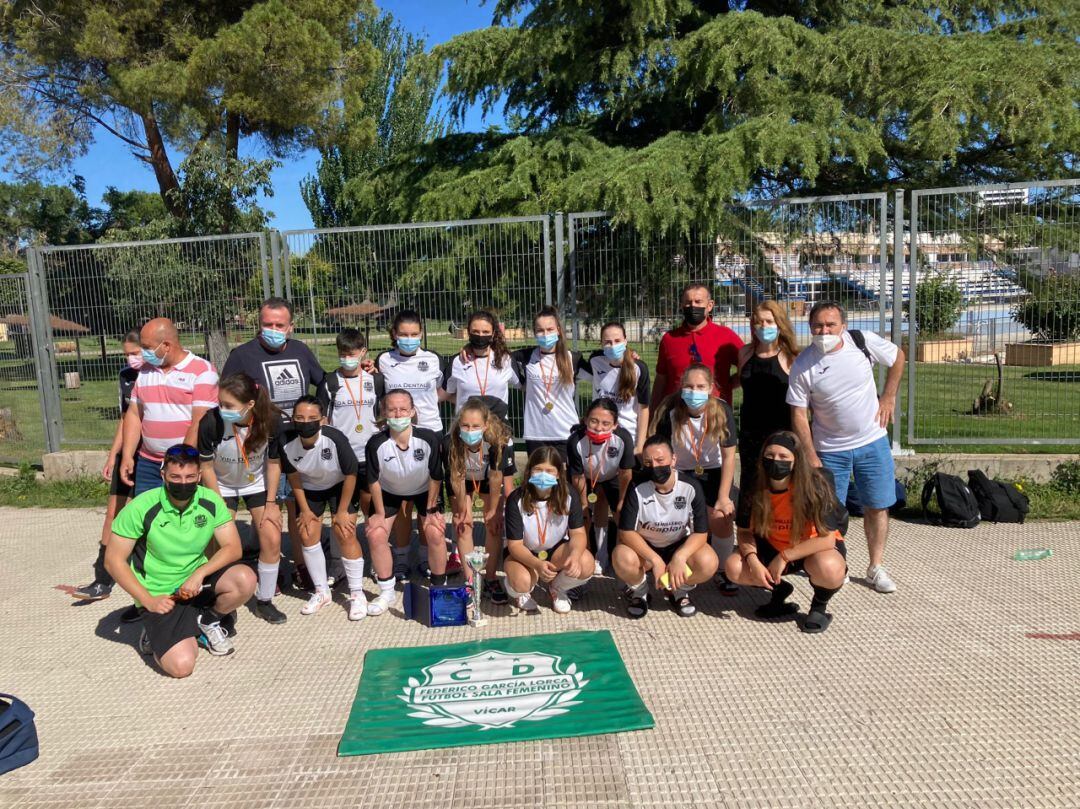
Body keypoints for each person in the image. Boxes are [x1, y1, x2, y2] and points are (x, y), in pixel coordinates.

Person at [104, 444, 257, 678]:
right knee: (182, 667)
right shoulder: (141, 507)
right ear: (163, 474)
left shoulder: (210, 501)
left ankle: (208, 620)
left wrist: (199, 574)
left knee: (245, 579)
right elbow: (113, 561)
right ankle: (154, 633)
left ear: (198, 476)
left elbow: (233, 548)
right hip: (161, 593)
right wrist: (148, 600)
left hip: (196, 584)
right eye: (175, 476)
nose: (182, 483)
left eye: (189, 477)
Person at [786, 300, 905, 593]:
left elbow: (898, 357)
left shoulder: (862, 343)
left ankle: (876, 566)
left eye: (830, 325)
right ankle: (838, 563)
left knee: (877, 506)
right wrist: (811, 455)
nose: (824, 331)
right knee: (828, 512)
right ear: (809, 327)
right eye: (817, 326)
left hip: (871, 441)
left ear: (843, 326)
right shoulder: (803, 364)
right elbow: (798, 414)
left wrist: (888, 396)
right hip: (829, 449)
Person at [221, 297, 327, 591]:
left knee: (296, 506)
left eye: (280, 325)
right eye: (267, 324)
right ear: (259, 324)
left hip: (297, 442)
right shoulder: (242, 355)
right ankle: (270, 568)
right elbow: (228, 396)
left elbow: (324, 382)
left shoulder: (300, 351)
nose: (273, 329)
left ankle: (301, 566)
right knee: (269, 511)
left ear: (290, 326)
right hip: (260, 445)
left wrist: (323, 414)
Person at [724, 431, 848, 633]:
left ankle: (819, 607)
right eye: (770, 455)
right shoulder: (754, 485)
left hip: (811, 547)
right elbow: (745, 531)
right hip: (772, 544)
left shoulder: (815, 485)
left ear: (796, 461)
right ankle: (778, 590)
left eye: (783, 457)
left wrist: (784, 557)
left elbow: (826, 540)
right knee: (733, 567)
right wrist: (754, 561)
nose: (775, 461)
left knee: (830, 568)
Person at [197, 373, 287, 624]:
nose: (222, 409)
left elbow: (273, 463)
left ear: (249, 405)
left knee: (271, 536)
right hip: (221, 486)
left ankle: (265, 600)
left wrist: (271, 504)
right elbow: (204, 468)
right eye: (220, 403)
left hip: (255, 484)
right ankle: (225, 603)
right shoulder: (210, 422)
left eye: (228, 406)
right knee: (221, 544)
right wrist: (218, 507)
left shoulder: (270, 421)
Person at [375, 310, 448, 579]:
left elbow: (443, 390)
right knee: (402, 500)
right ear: (394, 335)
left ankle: (428, 557)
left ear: (421, 334)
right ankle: (403, 557)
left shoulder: (433, 359)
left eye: (414, 334)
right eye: (403, 335)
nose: (409, 339)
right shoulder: (383, 360)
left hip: (430, 433)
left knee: (428, 499)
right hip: (397, 434)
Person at [654, 363, 739, 593]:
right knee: (680, 519)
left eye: (701, 386)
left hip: (713, 471)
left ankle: (722, 571)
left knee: (721, 517)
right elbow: (661, 452)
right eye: (689, 386)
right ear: (681, 388)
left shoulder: (722, 410)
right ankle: (679, 564)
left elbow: (729, 455)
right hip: (681, 472)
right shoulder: (670, 411)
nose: (694, 391)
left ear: (711, 388)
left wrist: (723, 496)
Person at [613, 434, 719, 618]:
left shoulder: (690, 486)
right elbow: (626, 532)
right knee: (621, 557)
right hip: (646, 548)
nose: (654, 466)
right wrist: (655, 559)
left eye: (660, 460)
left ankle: (678, 589)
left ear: (673, 459)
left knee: (709, 562)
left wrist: (680, 557)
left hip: (677, 544)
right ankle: (640, 592)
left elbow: (701, 532)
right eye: (648, 462)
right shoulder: (637, 485)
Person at [364, 389, 448, 616]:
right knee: (376, 533)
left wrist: (431, 509)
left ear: (412, 412)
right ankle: (386, 591)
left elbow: (436, 476)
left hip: (423, 491)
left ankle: (439, 588)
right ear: (384, 413)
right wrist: (379, 514)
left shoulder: (428, 438)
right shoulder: (375, 443)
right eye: (392, 409)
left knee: (435, 531)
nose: (398, 413)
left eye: (403, 409)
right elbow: (373, 480)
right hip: (390, 492)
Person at [279, 397, 364, 620]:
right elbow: (293, 477)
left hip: (340, 485)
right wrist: (305, 510)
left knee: (344, 532)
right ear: (293, 419)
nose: (305, 422)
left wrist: (342, 511)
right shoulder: (286, 440)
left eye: (311, 418)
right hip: (310, 488)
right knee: (307, 532)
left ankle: (357, 594)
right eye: (299, 418)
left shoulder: (335, 438)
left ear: (322, 420)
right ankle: (321, 592)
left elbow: (351, 474)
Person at [73, 331, 142, 602]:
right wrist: (114, 454)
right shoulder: (126, 376)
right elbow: (125, 418)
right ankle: (103, 579)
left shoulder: (157, 375)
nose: (131, 359)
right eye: (127, 354)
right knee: (113, 512)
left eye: (136, 352)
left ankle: (142, 574)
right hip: (129, 453)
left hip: (152, 456)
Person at [118, 318, 218, 496]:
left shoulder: (202, 371)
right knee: (148, 518)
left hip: (184, 466)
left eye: (147, 347)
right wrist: (127, 455)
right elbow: (134, 414)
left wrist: (177, 461)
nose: (143, 352)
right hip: (148, 463)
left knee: (182, 520)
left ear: (166, 345)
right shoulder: (145, 371)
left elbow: (199, 423)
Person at [503, 447, 594, 614]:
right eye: (538, 469)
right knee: (522, 582)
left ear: (558, 474)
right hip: (525, 553)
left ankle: (557, 588)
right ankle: (520, 593)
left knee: (586, 564)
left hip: (556, 551)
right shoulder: (516, 499)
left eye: (549, 471)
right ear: (529, 471)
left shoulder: (569, 494)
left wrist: (574, 556)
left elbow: (578, 534)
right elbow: (515, 545)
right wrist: (537, 565)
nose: (543, 475)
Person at [735, 300, 799, 532]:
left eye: (769, 321)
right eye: (758, 322)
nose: (763, 326)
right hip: (751, 433)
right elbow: (736, 381)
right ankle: (748, 536)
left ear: (780, 324)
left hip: (781, 434)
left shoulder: (791, 357)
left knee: (781, 487)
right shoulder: (745, 353)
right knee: (751, 487)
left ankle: (783, 534)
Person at [443, 398, 515, 605]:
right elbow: (456, 477)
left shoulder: (496, 441)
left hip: (486, 479)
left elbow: (495, 477)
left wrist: (492, 510)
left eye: (475, 426)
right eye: (465, 425)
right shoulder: (450, 442)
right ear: (459, 424)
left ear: (485, 425)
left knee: (493, 525)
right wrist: (462, 511)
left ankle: (491, 578)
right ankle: (470, 581)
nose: (470, 429)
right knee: (463, 525)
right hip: (463, 479)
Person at [317, 327, 384, 517]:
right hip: (342, 455)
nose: (347, 359)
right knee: (344, 510)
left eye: (352, 354)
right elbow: (323, 418)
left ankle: (373, 540)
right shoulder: (330, 382)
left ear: (363, 352)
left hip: (369, 453)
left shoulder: (376, 380)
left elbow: (384, 411)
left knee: (370, 502)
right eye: (342, 355)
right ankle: (343, 544)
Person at [566, 397, 635, 573]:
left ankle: (615, 558)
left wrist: (622, 500)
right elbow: (577, 477)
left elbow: (626, 473)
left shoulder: (623, 438)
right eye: (594, 421)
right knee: (583, 517)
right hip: (586, 478)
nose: (598, 428)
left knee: (622, 514)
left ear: (615, 424)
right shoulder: (575, 440)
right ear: (585, 420)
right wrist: (583, 504)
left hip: (612, 476)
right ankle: (586, 557)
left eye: (606, 423)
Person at [649, 282, 743, 412]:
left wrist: (727, 385)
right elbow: (661, 381)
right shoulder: (669, 339)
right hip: (676, 415)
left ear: (710, 305)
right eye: (688, 302)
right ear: (682, 305)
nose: (693, 306)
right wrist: (653, 415)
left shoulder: (725, 336)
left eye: (698, 302)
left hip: (715, 415)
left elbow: (747, 366)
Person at [511, 306, 584, 459]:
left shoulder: (574, 359)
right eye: (540, 330)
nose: (545, 335)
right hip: (536, 435)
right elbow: (495, 354)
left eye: (549, 329)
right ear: (535, 333)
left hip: (567, 432)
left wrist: (628, 354)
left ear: (558, 330)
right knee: (539, 481)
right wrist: (468, 349)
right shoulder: (525, 356)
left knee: (564, 481)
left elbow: (602, 364)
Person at [579, 321, 651, 456]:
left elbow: (644, 409)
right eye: (607, 342)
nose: (613, 346)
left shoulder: (639, 368)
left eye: (617, 341)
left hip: (628, 435)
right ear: (601, 344)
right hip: (599, 431)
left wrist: (640, 445)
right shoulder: (595, 360)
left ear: (625, 341)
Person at [444, 309, 517, 424]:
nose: (480, 336)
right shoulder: (457, 362)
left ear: (493, 334)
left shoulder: (506, 360)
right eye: (475, 331)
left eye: (485, 332)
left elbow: (527, 385)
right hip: (467, 430)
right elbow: (444, 394)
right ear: (469, 332)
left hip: (498, 433)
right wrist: (464, 402)